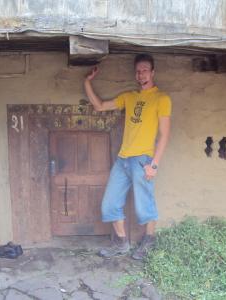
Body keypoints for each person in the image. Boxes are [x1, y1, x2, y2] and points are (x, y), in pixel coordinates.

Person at [84, 54, 172, 260]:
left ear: (152, 72)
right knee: (109, 204)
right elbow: (99, 106)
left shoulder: (162, 98)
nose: (140, 74)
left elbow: (165, 134)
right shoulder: (129, 97)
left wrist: (154, 165)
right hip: (123, 159)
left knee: (145, 205)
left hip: (143, 160)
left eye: (144, 70)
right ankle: (122, 243)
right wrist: (87, 82)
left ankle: (149, 241)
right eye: (138, 71)